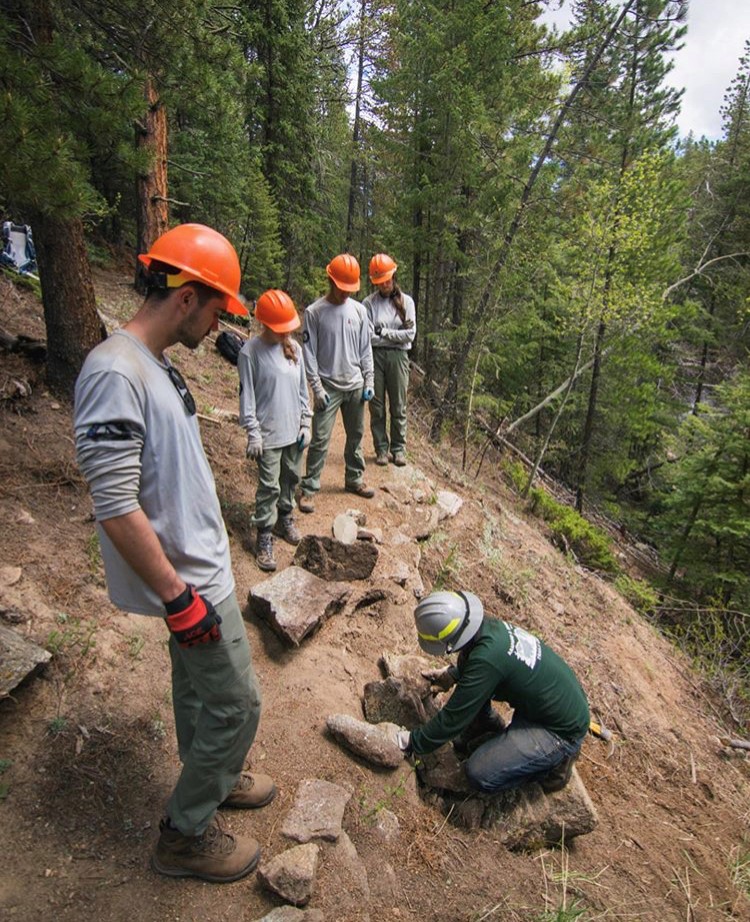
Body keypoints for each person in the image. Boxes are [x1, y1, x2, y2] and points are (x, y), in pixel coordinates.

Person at [74, 224, 275, 884]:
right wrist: (177, 595)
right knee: (237, 704)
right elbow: (114, 503)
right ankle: (185, 834)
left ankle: (211, 774)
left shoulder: (152, 364)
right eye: (219, 306)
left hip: (197, 571)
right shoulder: (114, 372)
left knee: (199, 694)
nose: (221, 321)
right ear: (187, 296)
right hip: (187, 581)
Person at [396, 590, 590, 794]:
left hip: (559, 729)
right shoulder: (488, 629)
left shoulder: (487, 660)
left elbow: (453, 720)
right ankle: (489, 729)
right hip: (549, 703)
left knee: (479, 774)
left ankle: (553, 765)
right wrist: (453, 674)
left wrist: (409, 742)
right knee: (469, 672)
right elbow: (484, 666)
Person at [239, 289, 311, 572]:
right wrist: (252, 432)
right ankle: (264, 534)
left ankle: (285, 517)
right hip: (268, 433)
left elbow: (303, 391)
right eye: (279, 328)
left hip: (293, 431)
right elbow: (247, 398)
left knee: (290, 478)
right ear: (264, 324)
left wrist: (306, 422)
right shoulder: (250, 353)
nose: (285, 333)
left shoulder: (295, 349)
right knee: (268, 486)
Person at [297, 253, 375, 513]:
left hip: (354, 384)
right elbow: (309, 353)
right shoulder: (314, 312)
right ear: (331, 280)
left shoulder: (360, 311)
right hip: (328, 386)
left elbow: (366, 349)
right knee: (320, 438)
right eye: (342, 288)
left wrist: (369, 380)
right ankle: (309, 488)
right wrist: (316, 388)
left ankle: (354, 478)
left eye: (349, 289)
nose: (345, 293)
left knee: (356, 436)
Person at [363, 253, 416, 467]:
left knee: (398, 404)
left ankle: (398, 448)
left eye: (387, 279)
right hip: (375, 356)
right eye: (379, 281)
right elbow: (368, 336)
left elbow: (410, 335)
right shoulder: (369, 303)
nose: (384, 284)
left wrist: (384, 332)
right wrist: (395, 334)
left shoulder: (407, 302)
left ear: (393, 276)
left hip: (399, 358)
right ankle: (381, 449)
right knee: (377, 405)